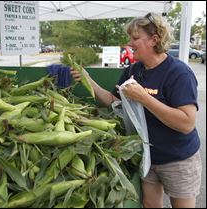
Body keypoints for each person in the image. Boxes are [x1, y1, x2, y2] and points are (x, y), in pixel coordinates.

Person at [70, 12, 201, 208]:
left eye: (135, 38)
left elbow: (186, 123)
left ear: (154, 39)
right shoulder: (134, 71)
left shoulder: (178, 73)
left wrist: (144, 98)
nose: (130, 43)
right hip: (147, 156)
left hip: (178, 159)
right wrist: (88, 80)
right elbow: (114, 101)